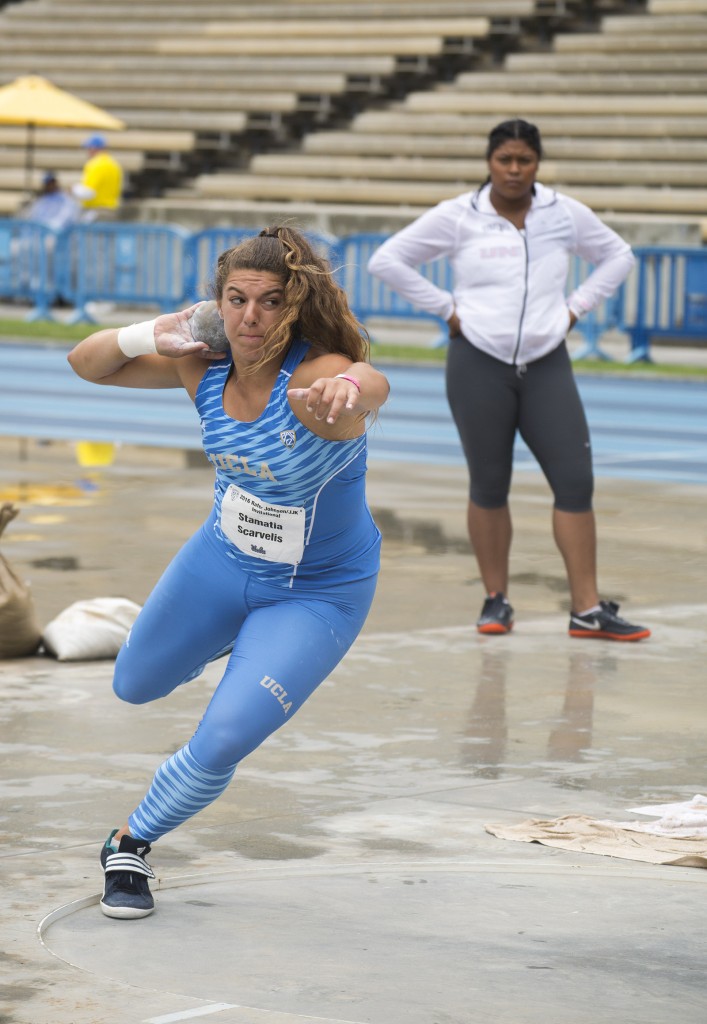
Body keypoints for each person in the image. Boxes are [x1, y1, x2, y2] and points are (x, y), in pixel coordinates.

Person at [67, 226, 390, 919]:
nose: (251, 317)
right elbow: (86, 363)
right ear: (217, 304)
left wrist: (347, 386)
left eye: (270, 302)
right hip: (220, 560)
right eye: (236, 299)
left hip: (316, 592)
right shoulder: (202, 365)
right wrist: (148, 332)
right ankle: (234, 638)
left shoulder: (315, 379)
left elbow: (370, 382)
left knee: (223, 738)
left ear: (293, 307)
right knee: (133, 684)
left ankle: (130, 844)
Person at [367, 118, 649, 643]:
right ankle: (495, 599)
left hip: (546, 362)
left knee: (575, 480)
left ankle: (587, 609)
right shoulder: (459, 215)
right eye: (505, 159)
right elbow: (388, 260)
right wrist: (448, 310)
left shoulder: (563, 213)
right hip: (477, 361)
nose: (515, 169)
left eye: (525, 160)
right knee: (489, 482)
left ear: (538, 164)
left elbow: (619, 255)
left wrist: (574, 309)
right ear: (489, 162)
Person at [71, 134, 122, 221]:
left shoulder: (95, 164)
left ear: (94, 148)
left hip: (97, 212)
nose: (87, 152)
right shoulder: (113, 164)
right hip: (111, 211)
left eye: (88, 148)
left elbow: (89, 192)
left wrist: (74, 189)